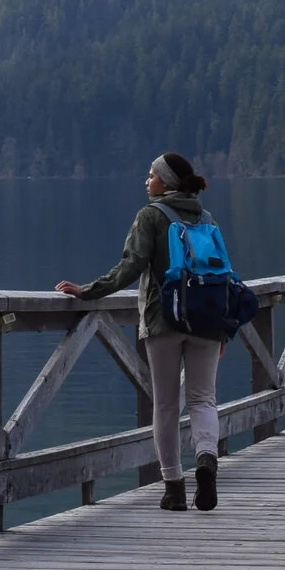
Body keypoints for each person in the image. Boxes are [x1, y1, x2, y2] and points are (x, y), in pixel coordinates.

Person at [57, 152, 224, 511]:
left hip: (163, 320)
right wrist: (225, 329)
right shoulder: (205, 218)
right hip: (208, 320)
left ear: (166, 182)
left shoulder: (151, 216)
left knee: (166, 404)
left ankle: (174, 487)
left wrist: (89, 290)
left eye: (151, 175)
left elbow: (131, 266)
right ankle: (207, 459)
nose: (146, 181)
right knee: (202, 400)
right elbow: (222, 274)